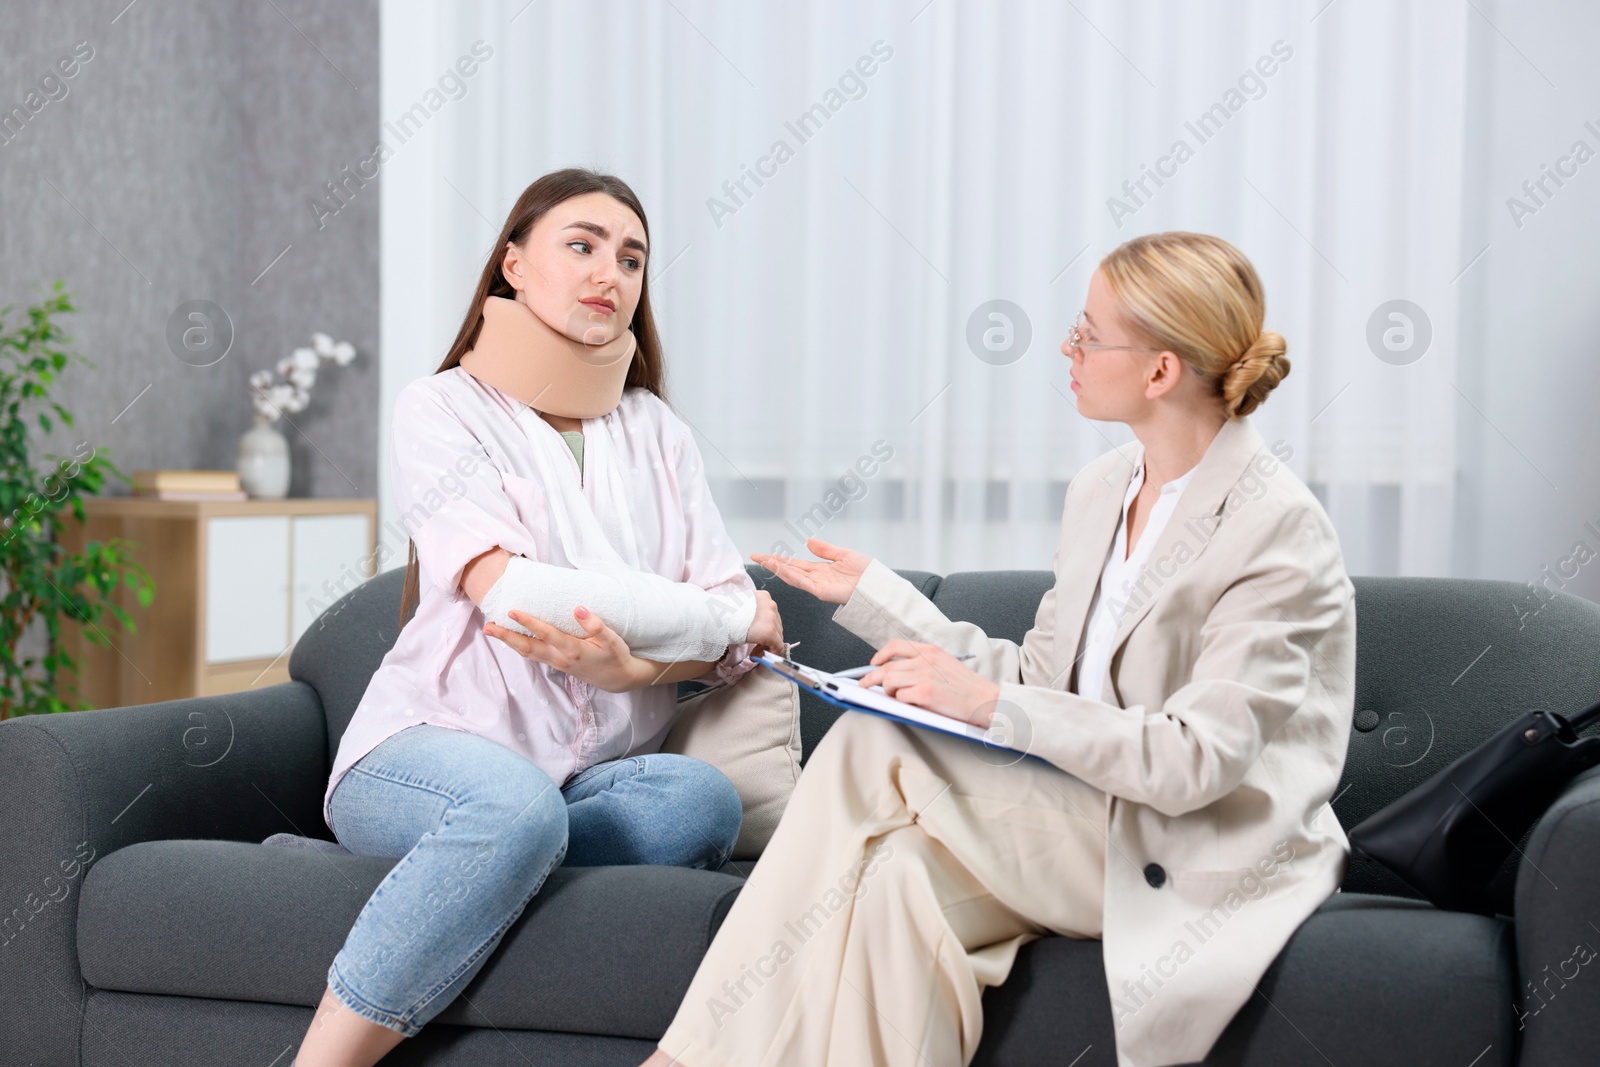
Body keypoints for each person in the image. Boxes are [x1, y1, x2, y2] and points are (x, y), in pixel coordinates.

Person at [640, 231, 1356, 1067]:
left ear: (1161, 372)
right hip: (1090, 809)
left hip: (1188, 839)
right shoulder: (1103, 490)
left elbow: (1196, 761)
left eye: (1089, 333)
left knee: (874, 740)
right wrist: (879, 596)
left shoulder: (1277, 526)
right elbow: (1043, 682)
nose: (1067, 347)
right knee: (897, 881)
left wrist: (983, 704)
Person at [294, 168, 784, 1067]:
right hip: (422, 751)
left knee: (698, 800)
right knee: (511, 807)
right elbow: (515, 592)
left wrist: (638, 669)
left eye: (632, 257)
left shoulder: (656, 432)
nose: (612, 271)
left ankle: (486, 865)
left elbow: (750, 635)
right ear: (514, 265)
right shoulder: (441, 407)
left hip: (576, 781)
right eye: (583, 245)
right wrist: (712, 620)